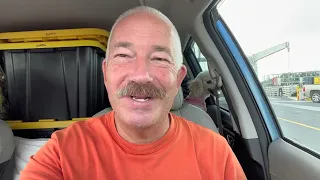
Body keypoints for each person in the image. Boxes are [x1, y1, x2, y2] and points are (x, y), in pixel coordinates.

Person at [20, 6, 246, 180]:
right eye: (124, 56)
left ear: (178, 79)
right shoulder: (63, 152)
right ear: (106, 73)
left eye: (159, 59)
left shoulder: (216, 153)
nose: (141, 75)